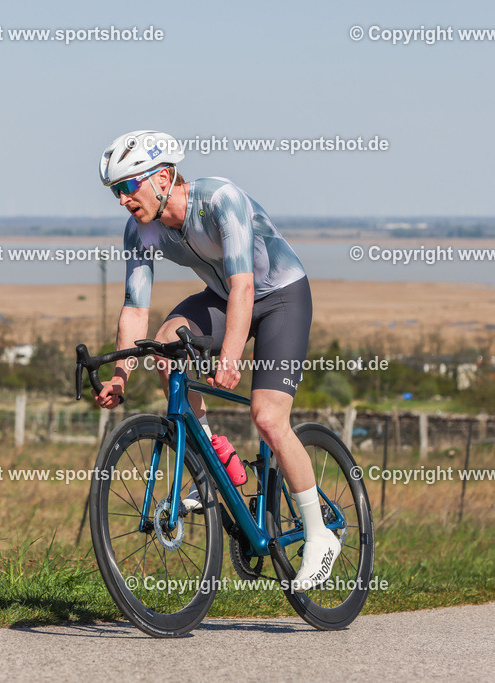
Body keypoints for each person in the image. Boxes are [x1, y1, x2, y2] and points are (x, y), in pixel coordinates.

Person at [93, 130, 339, 593]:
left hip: (280, 296)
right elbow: (135, 309)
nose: (123, 199)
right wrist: (120, 375)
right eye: (115, 191)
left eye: (128, 186)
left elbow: (245, 285)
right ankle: (214, 456)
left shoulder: (219, 200)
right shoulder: (140, 230)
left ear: (163, 177)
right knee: (164, 346)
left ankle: (320, 534)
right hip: (226, 297)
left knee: (268, 417)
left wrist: (230, 357)